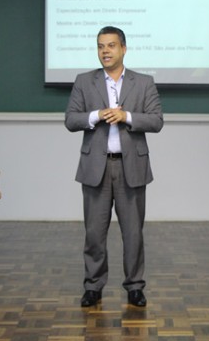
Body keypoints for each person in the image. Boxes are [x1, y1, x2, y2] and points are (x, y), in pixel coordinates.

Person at [65, 26, 164, 308]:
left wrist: (127, 116)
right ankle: (93, 286)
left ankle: (134, 287)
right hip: (96, 167)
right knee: (94, 233)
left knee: (133, 233)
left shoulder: (144, 82)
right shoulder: (84, 81)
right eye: (100, 46)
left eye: (110, 46)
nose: (105, 51)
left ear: (123, 49)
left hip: (130, 167)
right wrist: (96, 115)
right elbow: (71, 120)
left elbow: (156, 121)